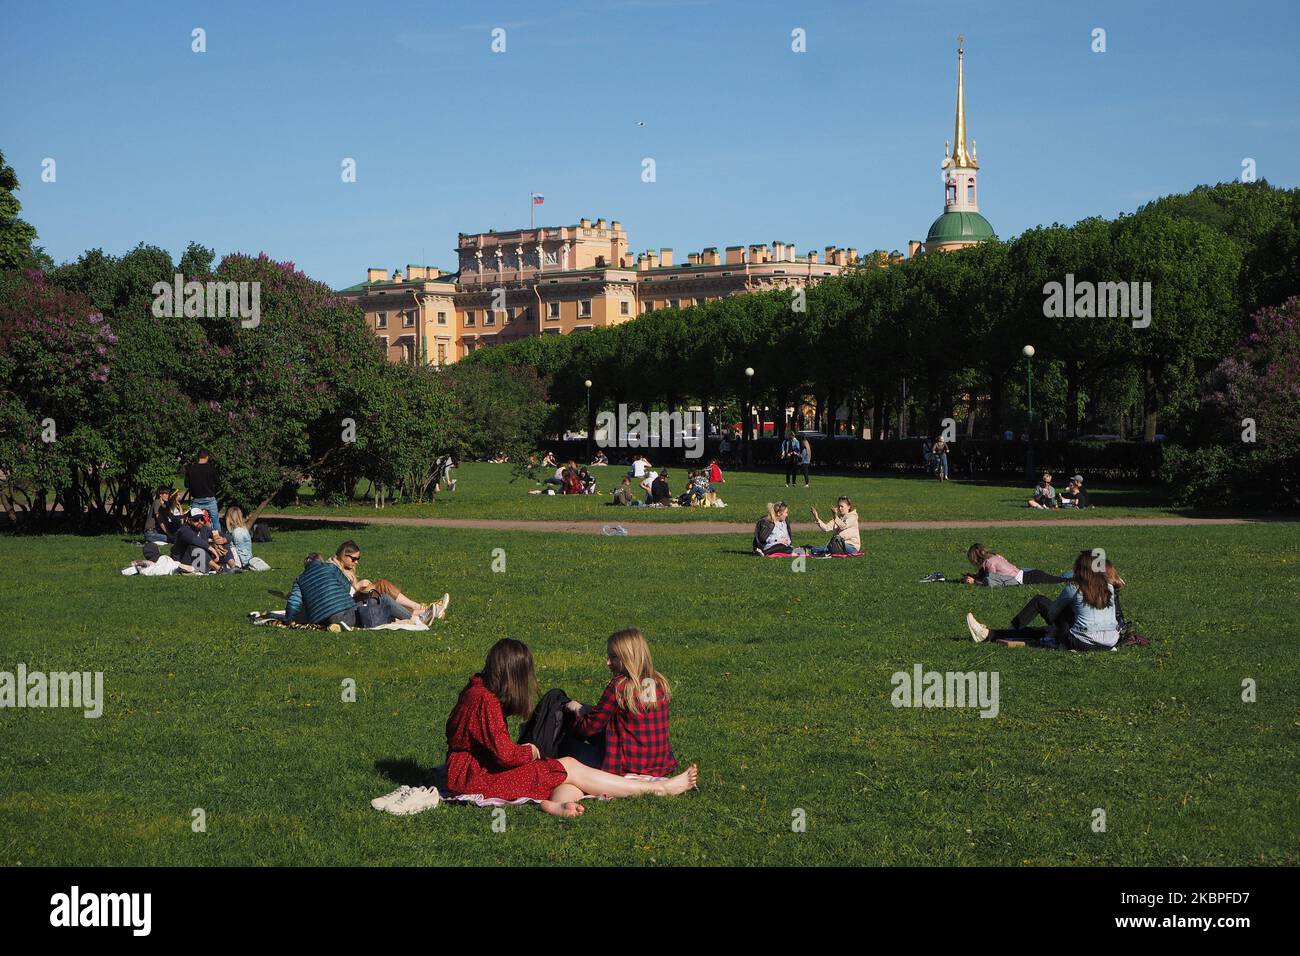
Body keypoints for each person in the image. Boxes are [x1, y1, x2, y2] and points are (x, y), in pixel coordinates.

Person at [443, 639, 698, 818]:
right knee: (570, 765)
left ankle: (559, 804)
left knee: (567, 770)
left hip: (469, 771)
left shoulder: (476, 689)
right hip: (474, 777)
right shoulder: (484, 701)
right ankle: (659, 788)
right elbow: (505, 755)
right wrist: (529, 751)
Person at [566, 628, 678, 777]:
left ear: (628, 657)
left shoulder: (620, 686)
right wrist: (588, 709)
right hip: (658, 766)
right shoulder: (658, 682)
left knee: (565, 744)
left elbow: (588, 728)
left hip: (623, 767)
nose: (608, 663)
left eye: (613, 657)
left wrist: (576, 713)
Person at [967, 551, 1123, 651]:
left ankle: (1000, 632)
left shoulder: (1075, 586)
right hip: (1110, 642)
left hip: (1081, 642)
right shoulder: (1109, 587)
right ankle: (990, 634)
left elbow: (1053, 613)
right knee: (1044, 631)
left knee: (1040, 601)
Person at [330, 540, 448, 622]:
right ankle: (423, 610)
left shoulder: (344, 568)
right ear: (343, 555)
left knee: (382, 585)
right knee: (382, 586)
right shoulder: (333, 569)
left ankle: (423, 610)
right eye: (353, 558)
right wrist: (358, 586)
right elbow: (341, 596)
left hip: (353, 599)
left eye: (358, 559)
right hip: (348, 606)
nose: (356, 562)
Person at [960, 544, 1068, 586]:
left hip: (1027, 578)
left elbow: (991, 580)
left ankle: (1078, 579)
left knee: (1062, 581)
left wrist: (975, 581)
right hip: (1028, 572)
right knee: (1059, 579)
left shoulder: (988, 563)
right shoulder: (994, 556)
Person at [185, 449, 221, 532]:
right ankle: (218, 540)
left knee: (194, 522)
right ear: (207, 457)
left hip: (197, 499)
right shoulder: (211, 468)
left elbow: (186, 485)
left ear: (198, 457)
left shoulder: (191, 469)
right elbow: (218, 482)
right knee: (215, 522)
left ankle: (194, 540)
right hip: (210, 498)